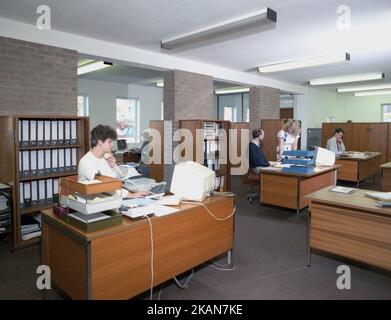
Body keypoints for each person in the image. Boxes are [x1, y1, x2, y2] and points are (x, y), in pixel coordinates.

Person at [78, 124, 149, 198]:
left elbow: (117, 179)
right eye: (109, 142)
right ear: (100, 142)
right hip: (93, 203)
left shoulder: (103, 158)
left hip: (107, 197)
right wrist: (131, 195)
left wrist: (113, 166)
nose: (112, 145)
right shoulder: (87, 162)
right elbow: (106, 186)